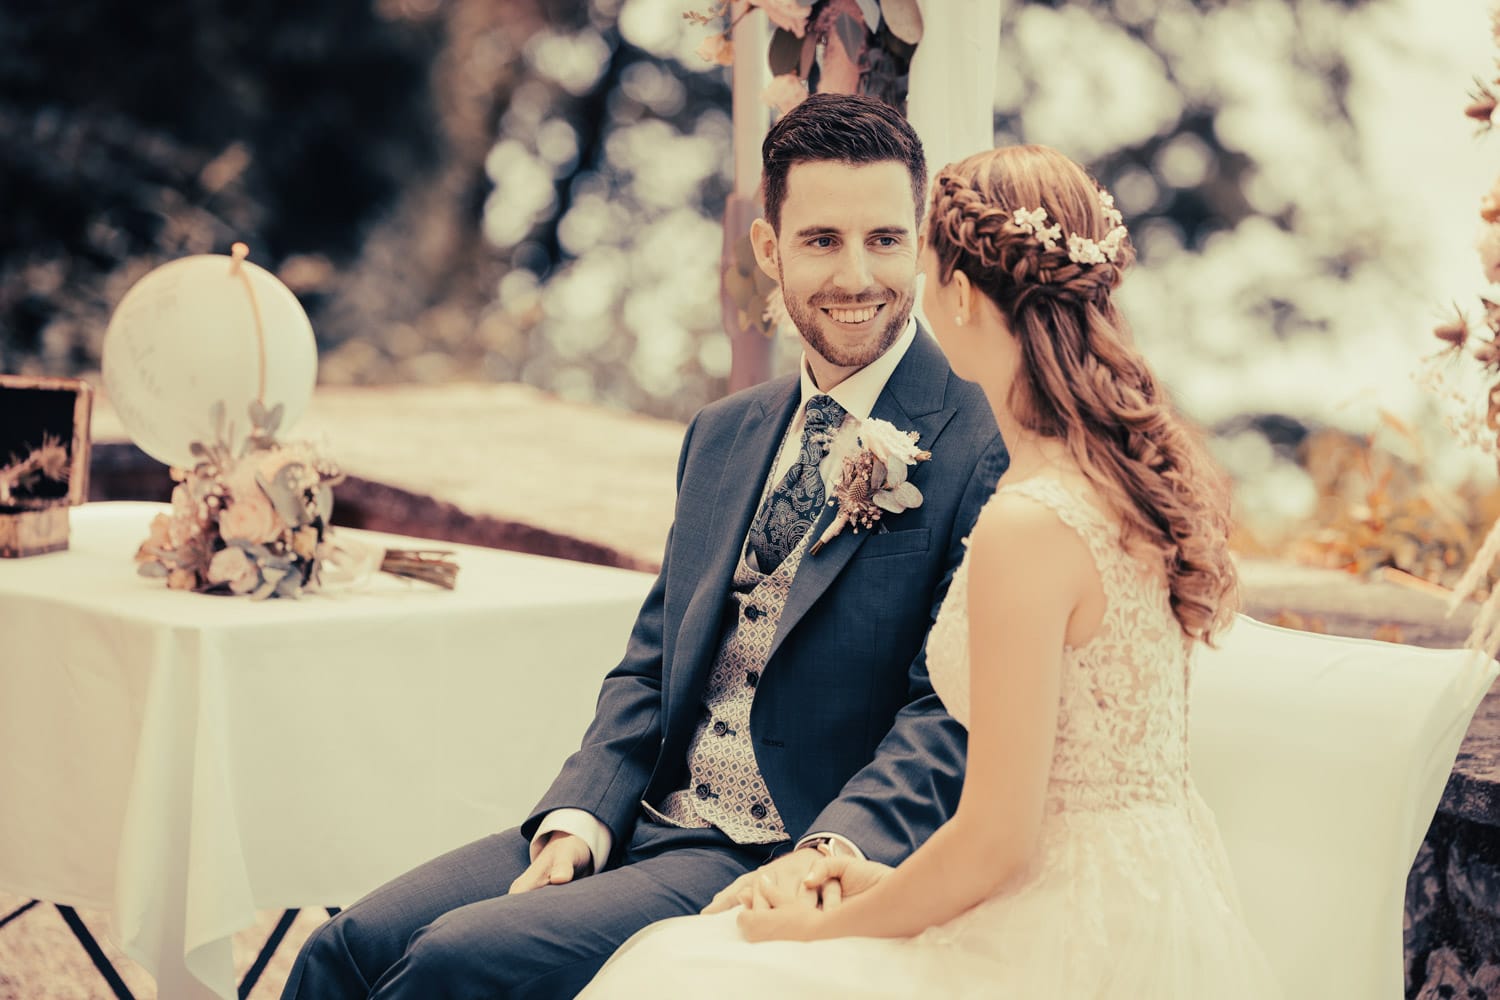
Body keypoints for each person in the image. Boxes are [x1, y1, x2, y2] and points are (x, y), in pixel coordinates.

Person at [279, 92, 1006, 1000]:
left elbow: (950, 708)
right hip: (639, 816)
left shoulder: (981, 441)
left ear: (921, 244)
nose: (857, 275)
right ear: (770, 249)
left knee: (450, 964)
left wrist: (831, 850)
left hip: (772, 847)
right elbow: (652, 661)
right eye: (822, 240)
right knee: (342, 947)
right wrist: (580, 815)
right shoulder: (723, 434)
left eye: (885, 239)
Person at [577, 145, 1285, 998]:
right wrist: (878, 884)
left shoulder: (1029, 522)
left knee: (680, 972)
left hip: (1053, 936)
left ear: (959, 294)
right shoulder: (1124, 487)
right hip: (1145, 903)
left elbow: (997, 843)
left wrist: (822, 924)